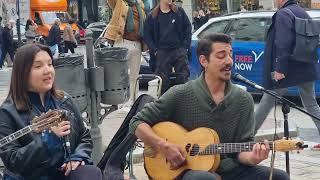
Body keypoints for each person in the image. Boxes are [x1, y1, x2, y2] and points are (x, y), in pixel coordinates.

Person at [129, 33, 289, 180]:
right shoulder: (181, 93)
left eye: (230, 55)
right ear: (204, 61)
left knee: (280, 177)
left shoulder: (243, 100)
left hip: (229, 170)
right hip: (186, 170)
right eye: (221, 56)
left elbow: (243, 147)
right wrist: (163, 146)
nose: (229, 61)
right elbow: (136, 123)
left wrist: (253, 157)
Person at [0, 44, 103, 180]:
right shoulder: (7, 112)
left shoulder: (64, 100)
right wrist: (48, 139)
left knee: (90, 173)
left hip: (62, 172)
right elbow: (12, 160)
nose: (47, 70)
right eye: (38, 66)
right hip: (29, 176)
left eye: (50, 64)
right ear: (22, 72)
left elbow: (84, 136)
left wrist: (78, 157)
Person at [255, 0, 320, 135]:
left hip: (286, 67)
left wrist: (280, 69)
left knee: (268, 98)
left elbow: (283, 43)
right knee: (311, 104)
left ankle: (247, 136)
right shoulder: (302, 12)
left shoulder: (283, 13)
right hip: (306, 66)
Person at [143, 0, 192, 94]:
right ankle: (165, 105)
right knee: (163, 82)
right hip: (162, 52)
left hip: (179, 51)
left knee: (183, 79)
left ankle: (184, 104)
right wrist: (155, 51)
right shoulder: (152, 16)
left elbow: (188, 29)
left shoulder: (179, 12)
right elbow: (147, 36)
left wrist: (184, 48)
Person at [104, 0, 146, 103]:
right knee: (121, 75)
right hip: (122, 42)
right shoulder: (119, 2)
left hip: (137, 43)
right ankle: (122, 101)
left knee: (134, 75)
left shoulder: (140, 5)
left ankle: (134, 101)